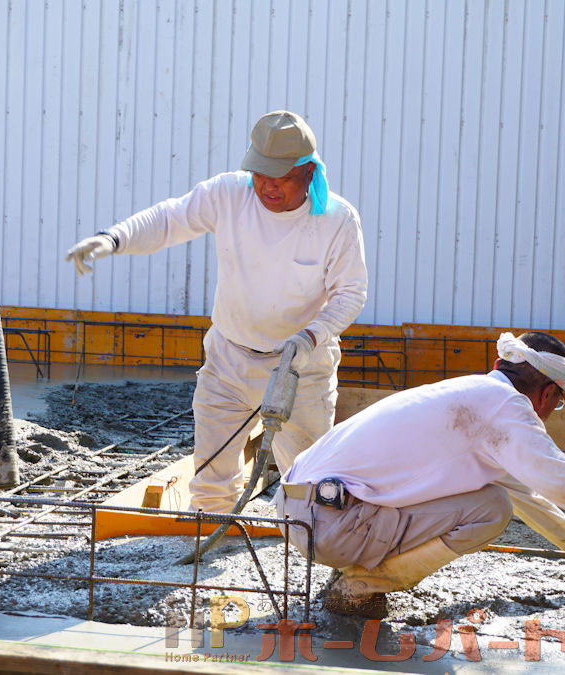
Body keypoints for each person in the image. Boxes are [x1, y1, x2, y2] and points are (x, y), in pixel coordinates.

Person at [276, 331, 565, 618]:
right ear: (548, 392)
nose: (553, 411)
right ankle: (360, 585)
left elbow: (525, 488)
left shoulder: (474, 395)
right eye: (558, 402)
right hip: (334, 525)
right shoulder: (506, 412)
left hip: (300, 513)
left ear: (501, 366)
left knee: (493, 495)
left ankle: (355, 568)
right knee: (490, 509)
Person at [66, 110, 368, 513]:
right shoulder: (230, 194)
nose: (267, 186)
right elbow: (170, 218)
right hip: (230, 359)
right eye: (261, 174)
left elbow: (350, 292)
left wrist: (311, 336)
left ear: (309, 171)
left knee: (308, 488)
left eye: (280, 177)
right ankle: (207, 540)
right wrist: (114, 238)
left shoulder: (336, 220)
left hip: (301, 366)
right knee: (210, 481)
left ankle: (302, 554)